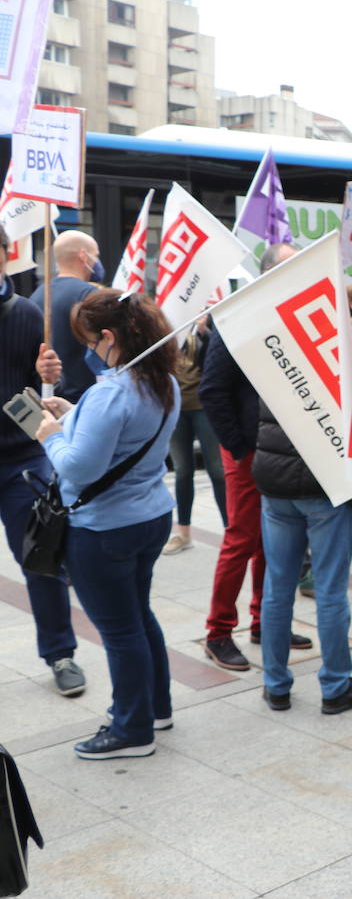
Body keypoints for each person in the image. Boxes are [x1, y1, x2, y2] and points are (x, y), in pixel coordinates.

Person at [34, 289, 180, 758]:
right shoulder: (163, 380)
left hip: (104, 529)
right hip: (151, 515)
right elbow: (123, 440)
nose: (87, 350)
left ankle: (131, 729)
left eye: (90, 340)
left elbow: (78, 468)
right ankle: (157, 708)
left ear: (111, 337)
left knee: (120, 629)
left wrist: (50, 437)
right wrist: (73, 416)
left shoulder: (110, 391)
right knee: (138, 614)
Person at [200, 243, 312, 670]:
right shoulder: (237, 318)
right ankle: (218, 632)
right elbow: (213, 390)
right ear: (265, 273)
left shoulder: (294, 315)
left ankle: (266, 621)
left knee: (274, 540)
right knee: (242, 538)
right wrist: (240, 446)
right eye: (286, 269)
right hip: (249, 451)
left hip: (283, 450)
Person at [254, 354, 352, 715]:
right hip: (322, 483)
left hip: (275, 482)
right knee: (329, 590)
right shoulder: (326, 348)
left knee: (277, 589)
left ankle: (276, 684)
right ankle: (336, 685)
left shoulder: (273, 349)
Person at [0, 225, 84, 697]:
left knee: (40, 556)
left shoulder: (29, 313)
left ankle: (61, 653)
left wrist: (51, 374)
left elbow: (55, 388)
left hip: (21, 457)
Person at [162, 320, 228, 555]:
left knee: (217, 471)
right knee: (182, 471)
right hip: (176, 408)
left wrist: (203, 330)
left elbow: (216, 358)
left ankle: (229, 530)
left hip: (203, 407)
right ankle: (183, 533)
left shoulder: (204, 328)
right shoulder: (169, 327)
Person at [32, 229, 103, 400]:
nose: (98, 262)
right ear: (83, 256)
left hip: (50, 395)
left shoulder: (37, 295)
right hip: (84, 398)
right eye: (96, 256)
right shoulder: (91, 296)